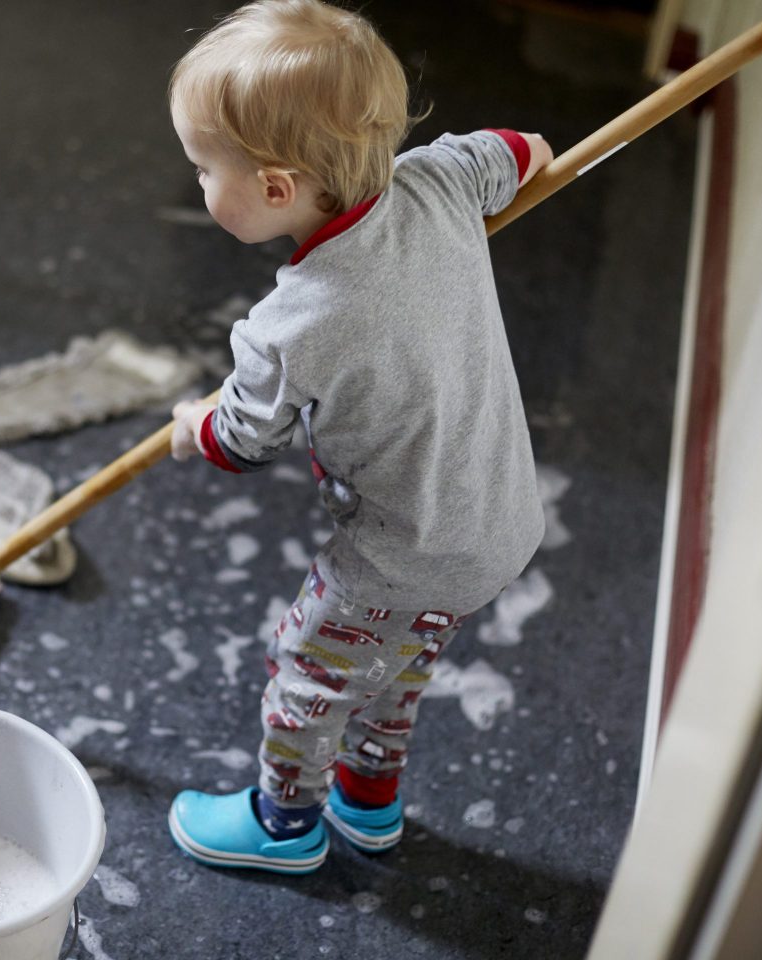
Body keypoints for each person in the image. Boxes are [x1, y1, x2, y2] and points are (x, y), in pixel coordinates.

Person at [163, 0, 553, 874]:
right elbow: (523, 150)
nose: (197, 183)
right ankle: (368, 802)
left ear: (276, 188)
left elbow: (241, 439)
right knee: (396, 663)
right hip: (496, 524)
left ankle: (283, 825)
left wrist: (192, 428)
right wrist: (503, 179)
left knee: (308, 671)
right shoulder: (440, 178)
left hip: (402, 550)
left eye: (202, 168)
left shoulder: (292, 325)